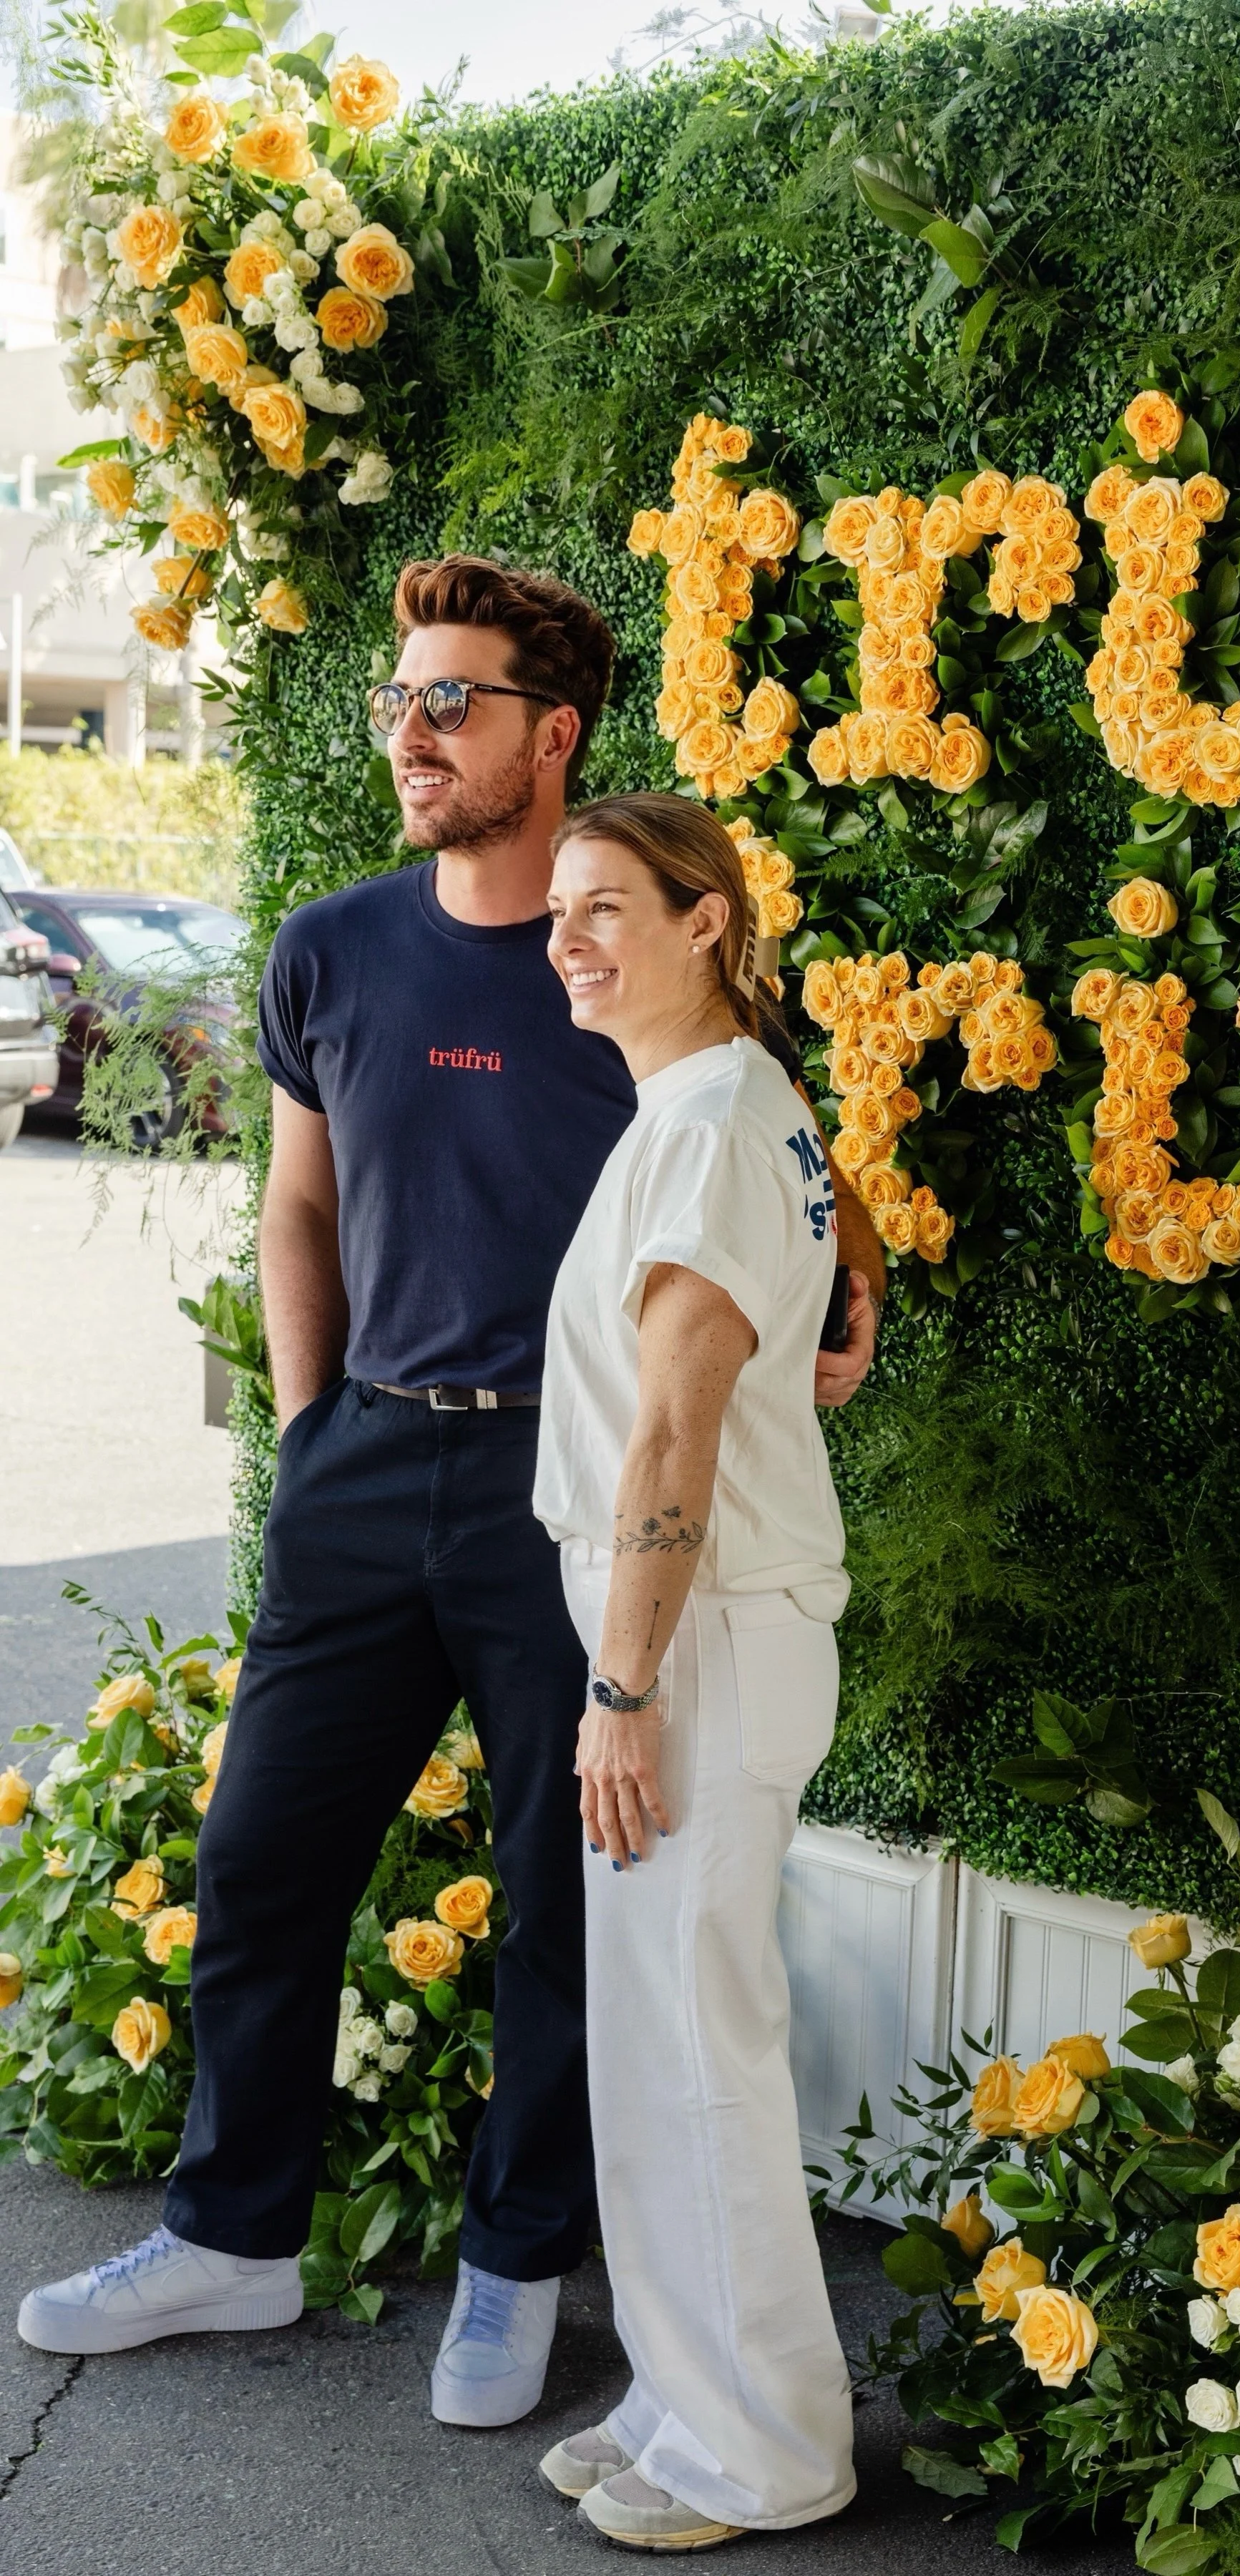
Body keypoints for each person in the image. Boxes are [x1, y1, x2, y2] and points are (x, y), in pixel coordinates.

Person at [17, 559, 884, 2426]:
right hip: (360, 1463)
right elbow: (302, 1201)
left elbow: (755, 1112)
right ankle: (233, 2236)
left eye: (452, 701)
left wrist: (849, 1277)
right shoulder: (329, 947)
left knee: (559, 1886)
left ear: (550, 734)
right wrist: (317, 1420)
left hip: (558, 1492)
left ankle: (513, 2262)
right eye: (398, 700)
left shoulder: (615, 943)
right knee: (260, 1854)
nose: (410, 732)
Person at [531, 793, 858, 2551]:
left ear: (707, 924)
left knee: (702, 2041)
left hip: (698, 1636)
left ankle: (771, 2451)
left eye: (606, 909)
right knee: (655, 2043)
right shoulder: (705, 1105)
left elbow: (675, 1425)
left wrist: (620, 1688)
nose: (568, 937)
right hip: (682, 1627)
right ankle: (685, 2394)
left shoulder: (719, 1119)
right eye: (559, 910)